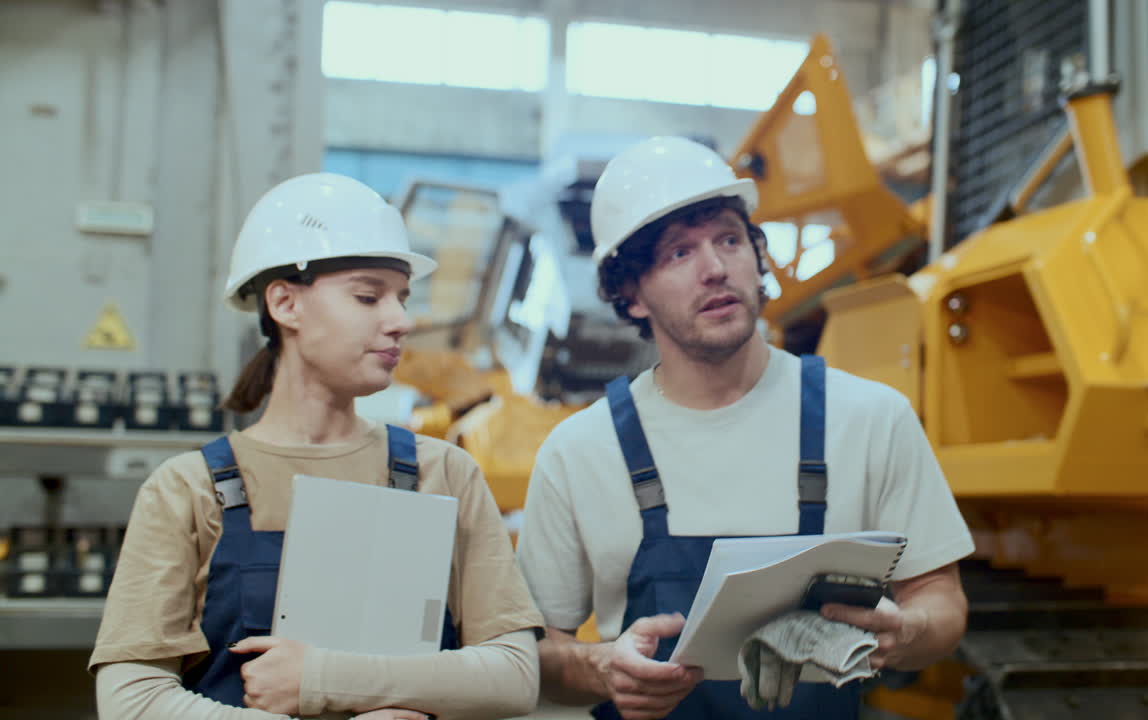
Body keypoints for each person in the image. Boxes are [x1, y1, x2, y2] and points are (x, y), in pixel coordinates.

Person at [515, 137, 974, 720]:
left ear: (757, 259)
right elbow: (533, 654)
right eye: (679, 253)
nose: (714, 269)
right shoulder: (580, 452)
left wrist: (906, 632)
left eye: (729, 240)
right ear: (630, 294)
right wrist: (600, 667)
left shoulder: (869, 419)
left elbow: (941, 600)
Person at [90, 173, 543, 720]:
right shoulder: (189, 489)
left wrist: (323, 679)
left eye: (402, 297)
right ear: (285, 304)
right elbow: (131, 699)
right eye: (367, 296)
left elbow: (514, 676)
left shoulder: (442, 472)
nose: (401, 321)